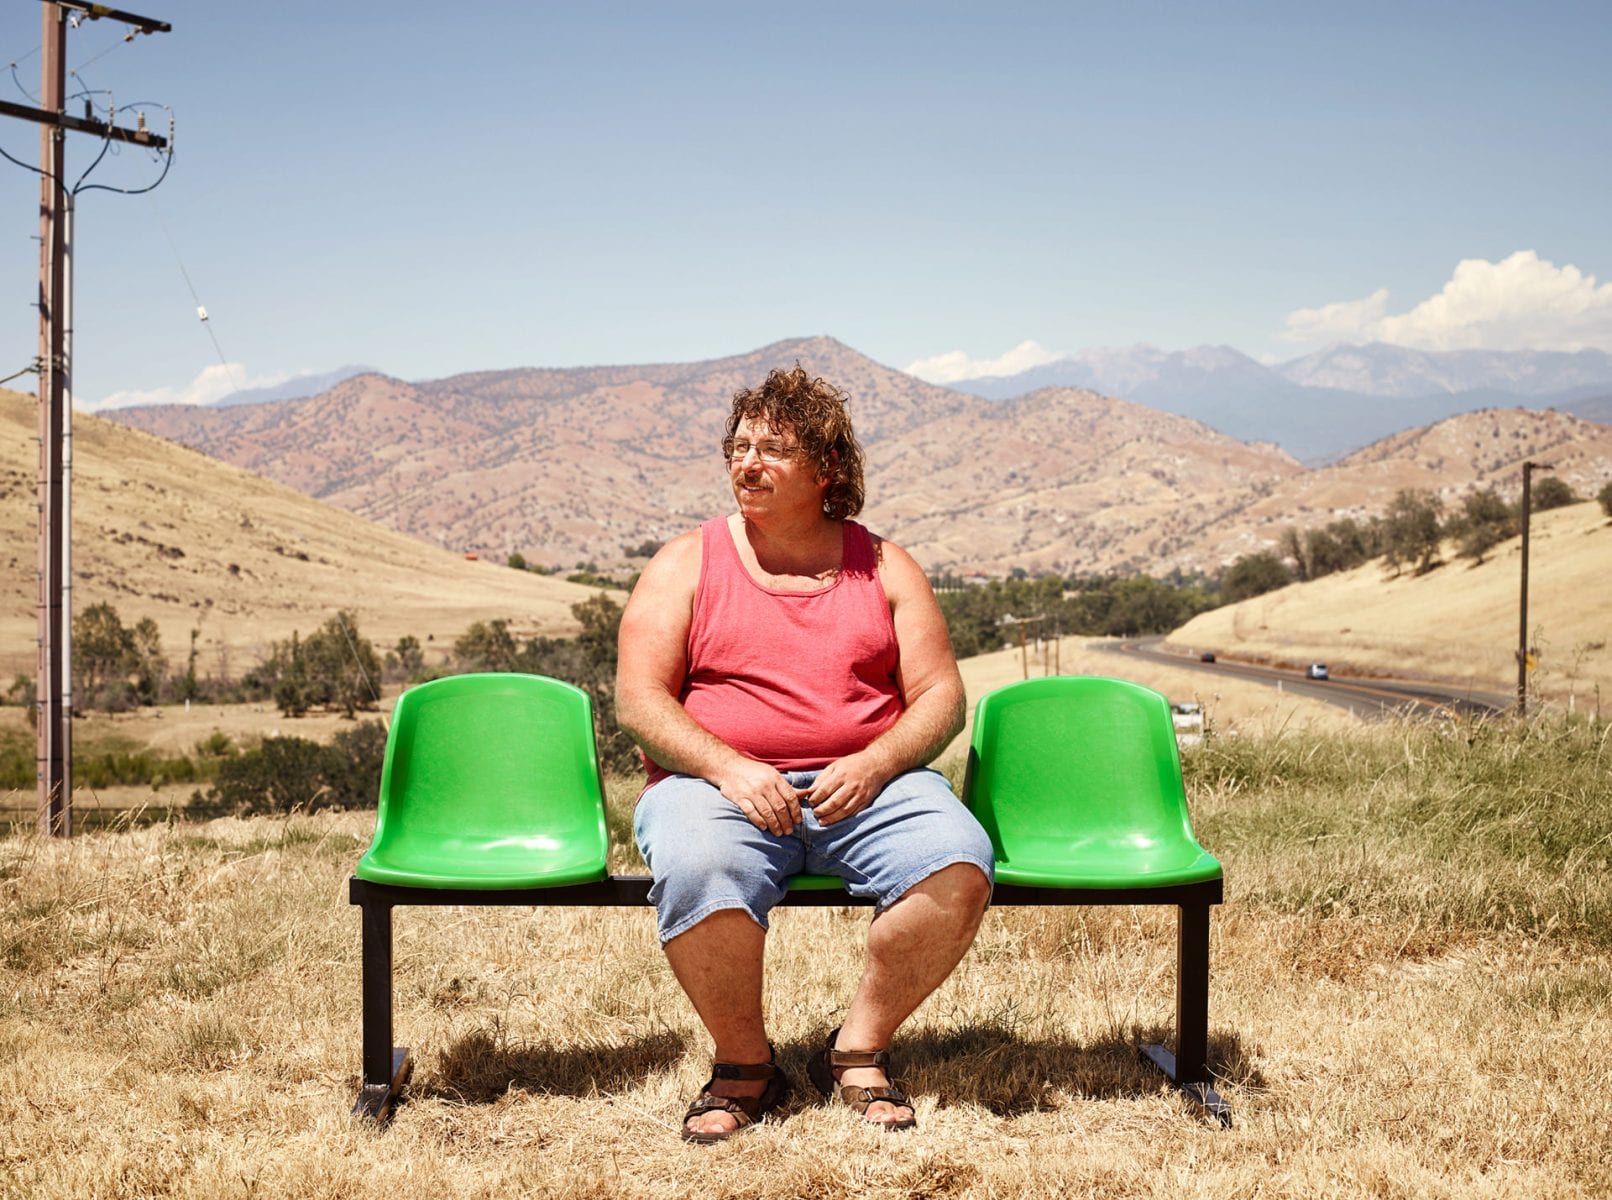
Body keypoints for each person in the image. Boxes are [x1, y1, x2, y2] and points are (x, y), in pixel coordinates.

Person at [616, 364, 994, 1143]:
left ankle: (855, 1051)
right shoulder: (684, 563)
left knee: (957, 860)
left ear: (827, 468)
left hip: (869, 786)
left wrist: (878, 762)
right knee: (696, 861)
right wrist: (728, 767)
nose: (746, 463)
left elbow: (940, 696)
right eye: (739, 445)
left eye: (772, 449)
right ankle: (744, 1067)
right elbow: (639, 702)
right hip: (716, 784)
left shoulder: (886, 566)